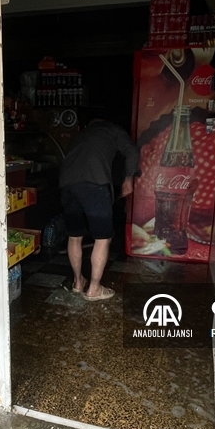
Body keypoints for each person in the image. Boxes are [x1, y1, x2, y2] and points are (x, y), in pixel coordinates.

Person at [58, 118, 140, 301]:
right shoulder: (113, 129)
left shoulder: (81, 134)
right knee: (102, 238)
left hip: (67, 184)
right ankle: (94, 289)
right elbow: (132, 151)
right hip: (95, 184)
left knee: (74, 236)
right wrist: (128, 179)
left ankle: (78, 283)